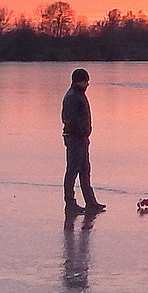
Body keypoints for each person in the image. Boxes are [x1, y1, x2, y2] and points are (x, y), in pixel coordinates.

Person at [62, 68, 105, 215]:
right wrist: (81, 131)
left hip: (81, 138)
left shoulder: (79, 95)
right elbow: (70, 118)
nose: (87, 84)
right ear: (78, 81)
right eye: (85, 81)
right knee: (73, 170)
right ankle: (70, 203)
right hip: (75, 138)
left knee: (85, 170)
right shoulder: (73, 96)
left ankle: (90, 202)